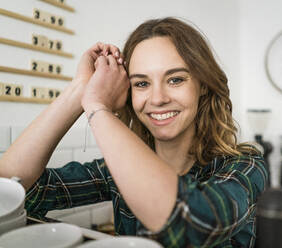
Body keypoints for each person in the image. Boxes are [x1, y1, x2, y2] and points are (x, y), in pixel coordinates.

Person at [0, 17, 267, 247]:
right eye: (141, 83)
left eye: (175, 79)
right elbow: (16, 189)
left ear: (204, 85)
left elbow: (188, 224)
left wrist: (98, 109)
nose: (158, 98)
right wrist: (80, 90)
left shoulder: (245, 165)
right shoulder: (116, 171)